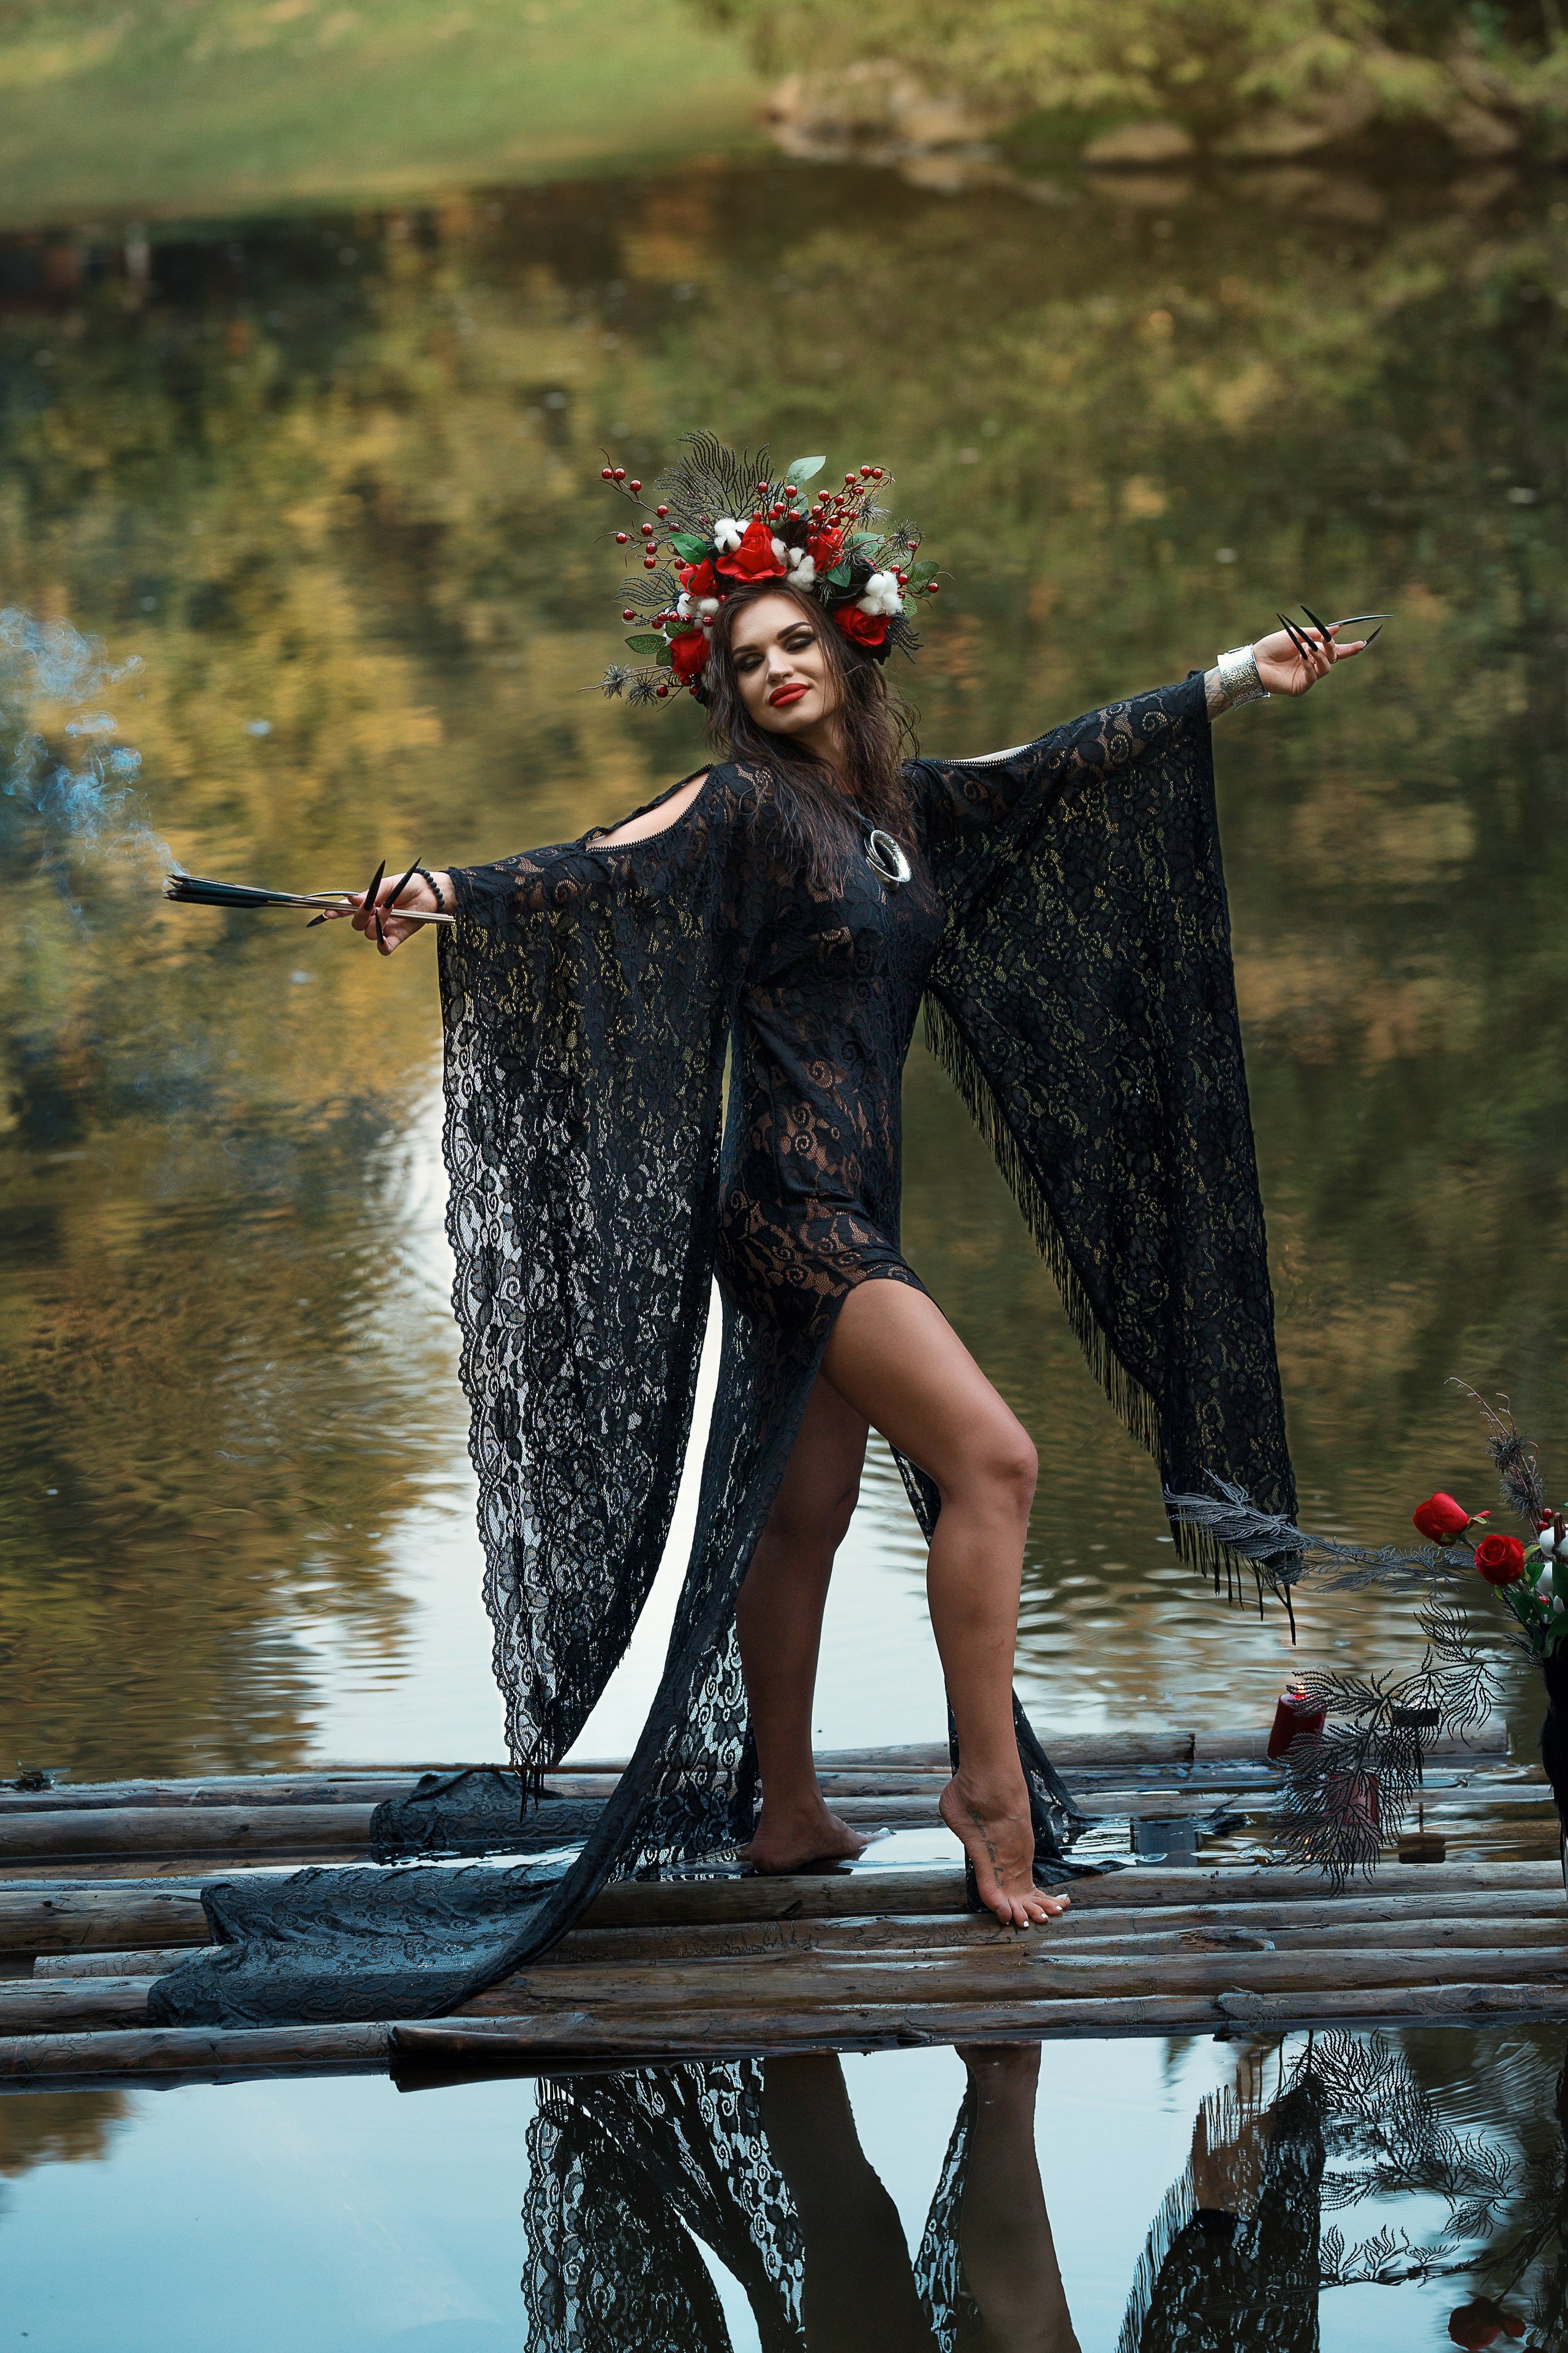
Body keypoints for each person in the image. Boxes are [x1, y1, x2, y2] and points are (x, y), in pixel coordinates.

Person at [334, 436, 1365, 1956]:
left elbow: (1050, 765)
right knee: (994, 1463)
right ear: (729, 691)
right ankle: (986, 1791)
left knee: (805, 1512)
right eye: (747, 659)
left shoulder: (898, 809)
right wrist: (441, 893)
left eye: (793, 642)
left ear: (846, 644)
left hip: (842, 1208)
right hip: (790, 1207)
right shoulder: (741, 809)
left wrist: (1230, 679)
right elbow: (603, 866)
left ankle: (790, 1812)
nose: (773, 671)